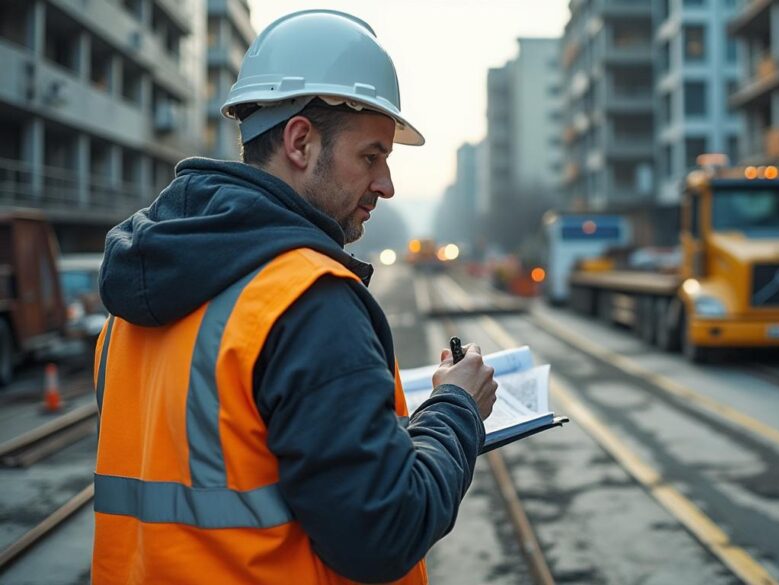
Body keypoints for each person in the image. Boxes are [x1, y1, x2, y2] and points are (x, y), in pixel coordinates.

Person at [91, 10, 498, 584]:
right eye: (371, 156)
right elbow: (386, 532)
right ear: (301, 141)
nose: (386, 184)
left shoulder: (132, 301)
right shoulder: (308, 302)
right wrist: (456, 409)